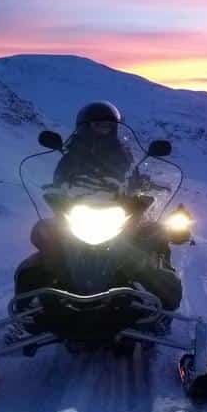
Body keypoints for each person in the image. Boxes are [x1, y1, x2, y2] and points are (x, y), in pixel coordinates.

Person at [14, 102, 182, 314]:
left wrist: (139, 192)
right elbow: (59, 179)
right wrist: (58, 193)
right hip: (78, 212)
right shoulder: (70, 156)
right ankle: (30, 309)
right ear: (84, 127)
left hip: (117, 213)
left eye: (107, 125)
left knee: (151, 238)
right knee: (44, 233)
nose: (102, 129)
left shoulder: (125, 155)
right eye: (97, 125)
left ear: (116, 128)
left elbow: (134, 177)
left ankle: (156, 306)